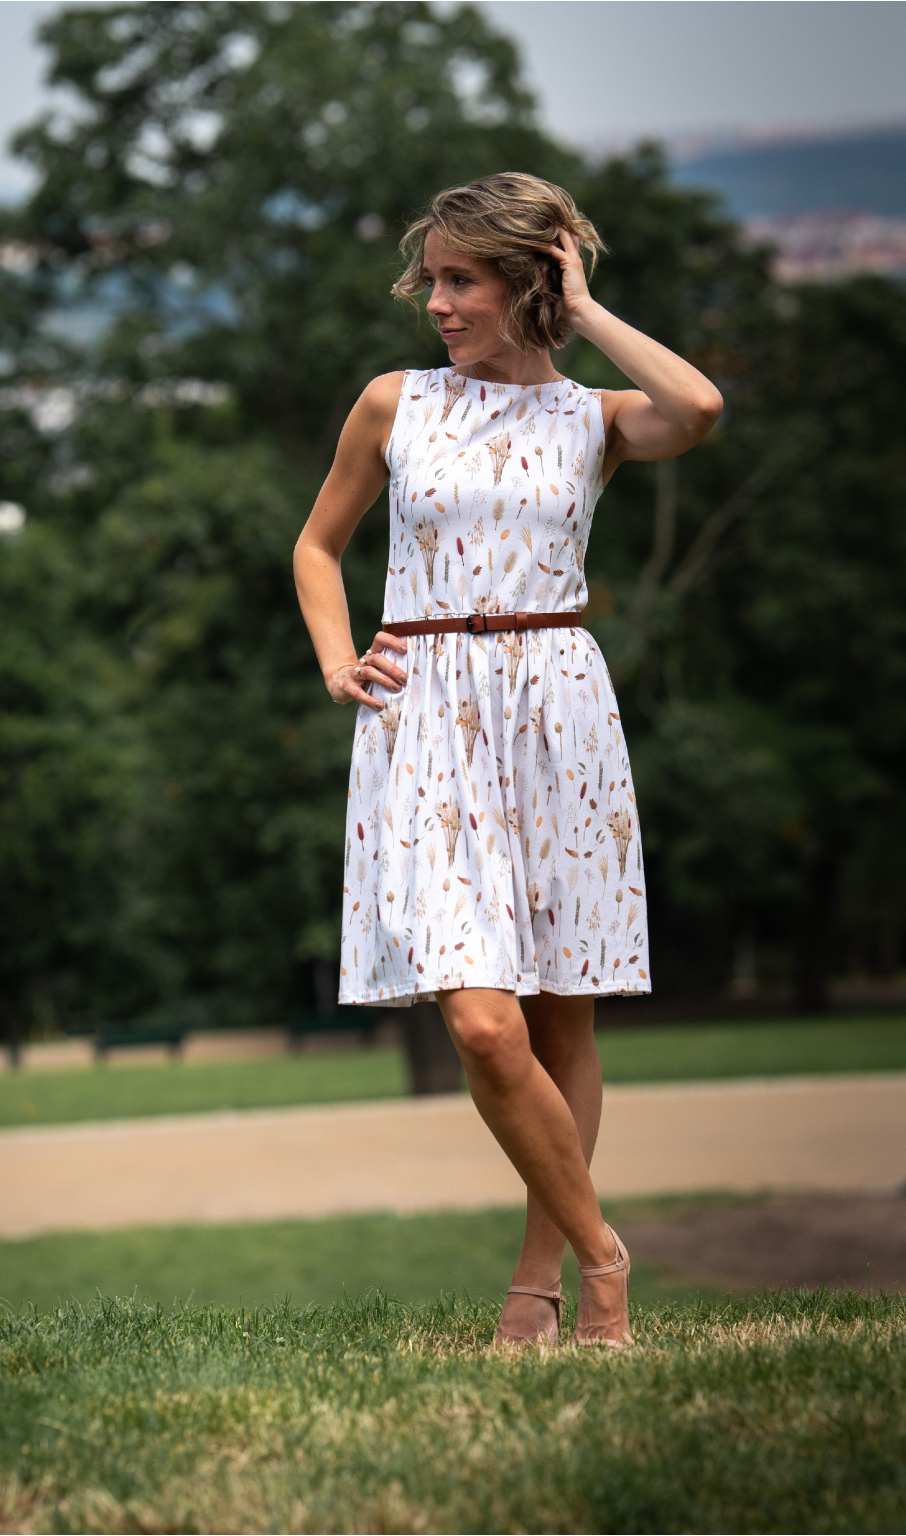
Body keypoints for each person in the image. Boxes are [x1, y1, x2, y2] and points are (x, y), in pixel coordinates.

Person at [294, 172, 722, 1347]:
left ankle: (539, 1288)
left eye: (462, 279)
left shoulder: (595, 418)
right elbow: (317, 547)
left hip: (558, 712)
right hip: (425, 713)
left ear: (531, 282)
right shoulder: (394, 403)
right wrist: (336, 661)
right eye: (429, 278)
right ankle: (605, 1256)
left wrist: (583, 312)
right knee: (485, 1026)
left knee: (560, 1024)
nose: (434, 301)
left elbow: (696, 406)